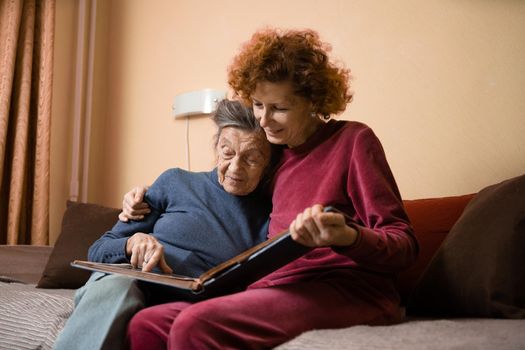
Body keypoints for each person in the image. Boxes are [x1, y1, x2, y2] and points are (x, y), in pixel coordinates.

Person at [125, 27, 419, 349]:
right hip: (275, 287)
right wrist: (143, 201)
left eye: (279, 108)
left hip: (348, 289)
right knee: (148, 323)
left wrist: (347, 237)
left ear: (312, 100)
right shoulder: (274, 156)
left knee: (195, 325)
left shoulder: (353, 142)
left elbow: (403, 244)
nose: (264, 121)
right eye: (257, 105)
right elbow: (221, 192)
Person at [53, 99, 276, 350]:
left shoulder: (270, 215)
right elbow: (98, 251)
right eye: (227, 152)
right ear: (216, 148)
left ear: (268, 165)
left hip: (192, 299)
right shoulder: (175, 181)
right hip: (131, 281)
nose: (236, 167)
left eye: (252, 159)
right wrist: (131, 242)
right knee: (118, 286)